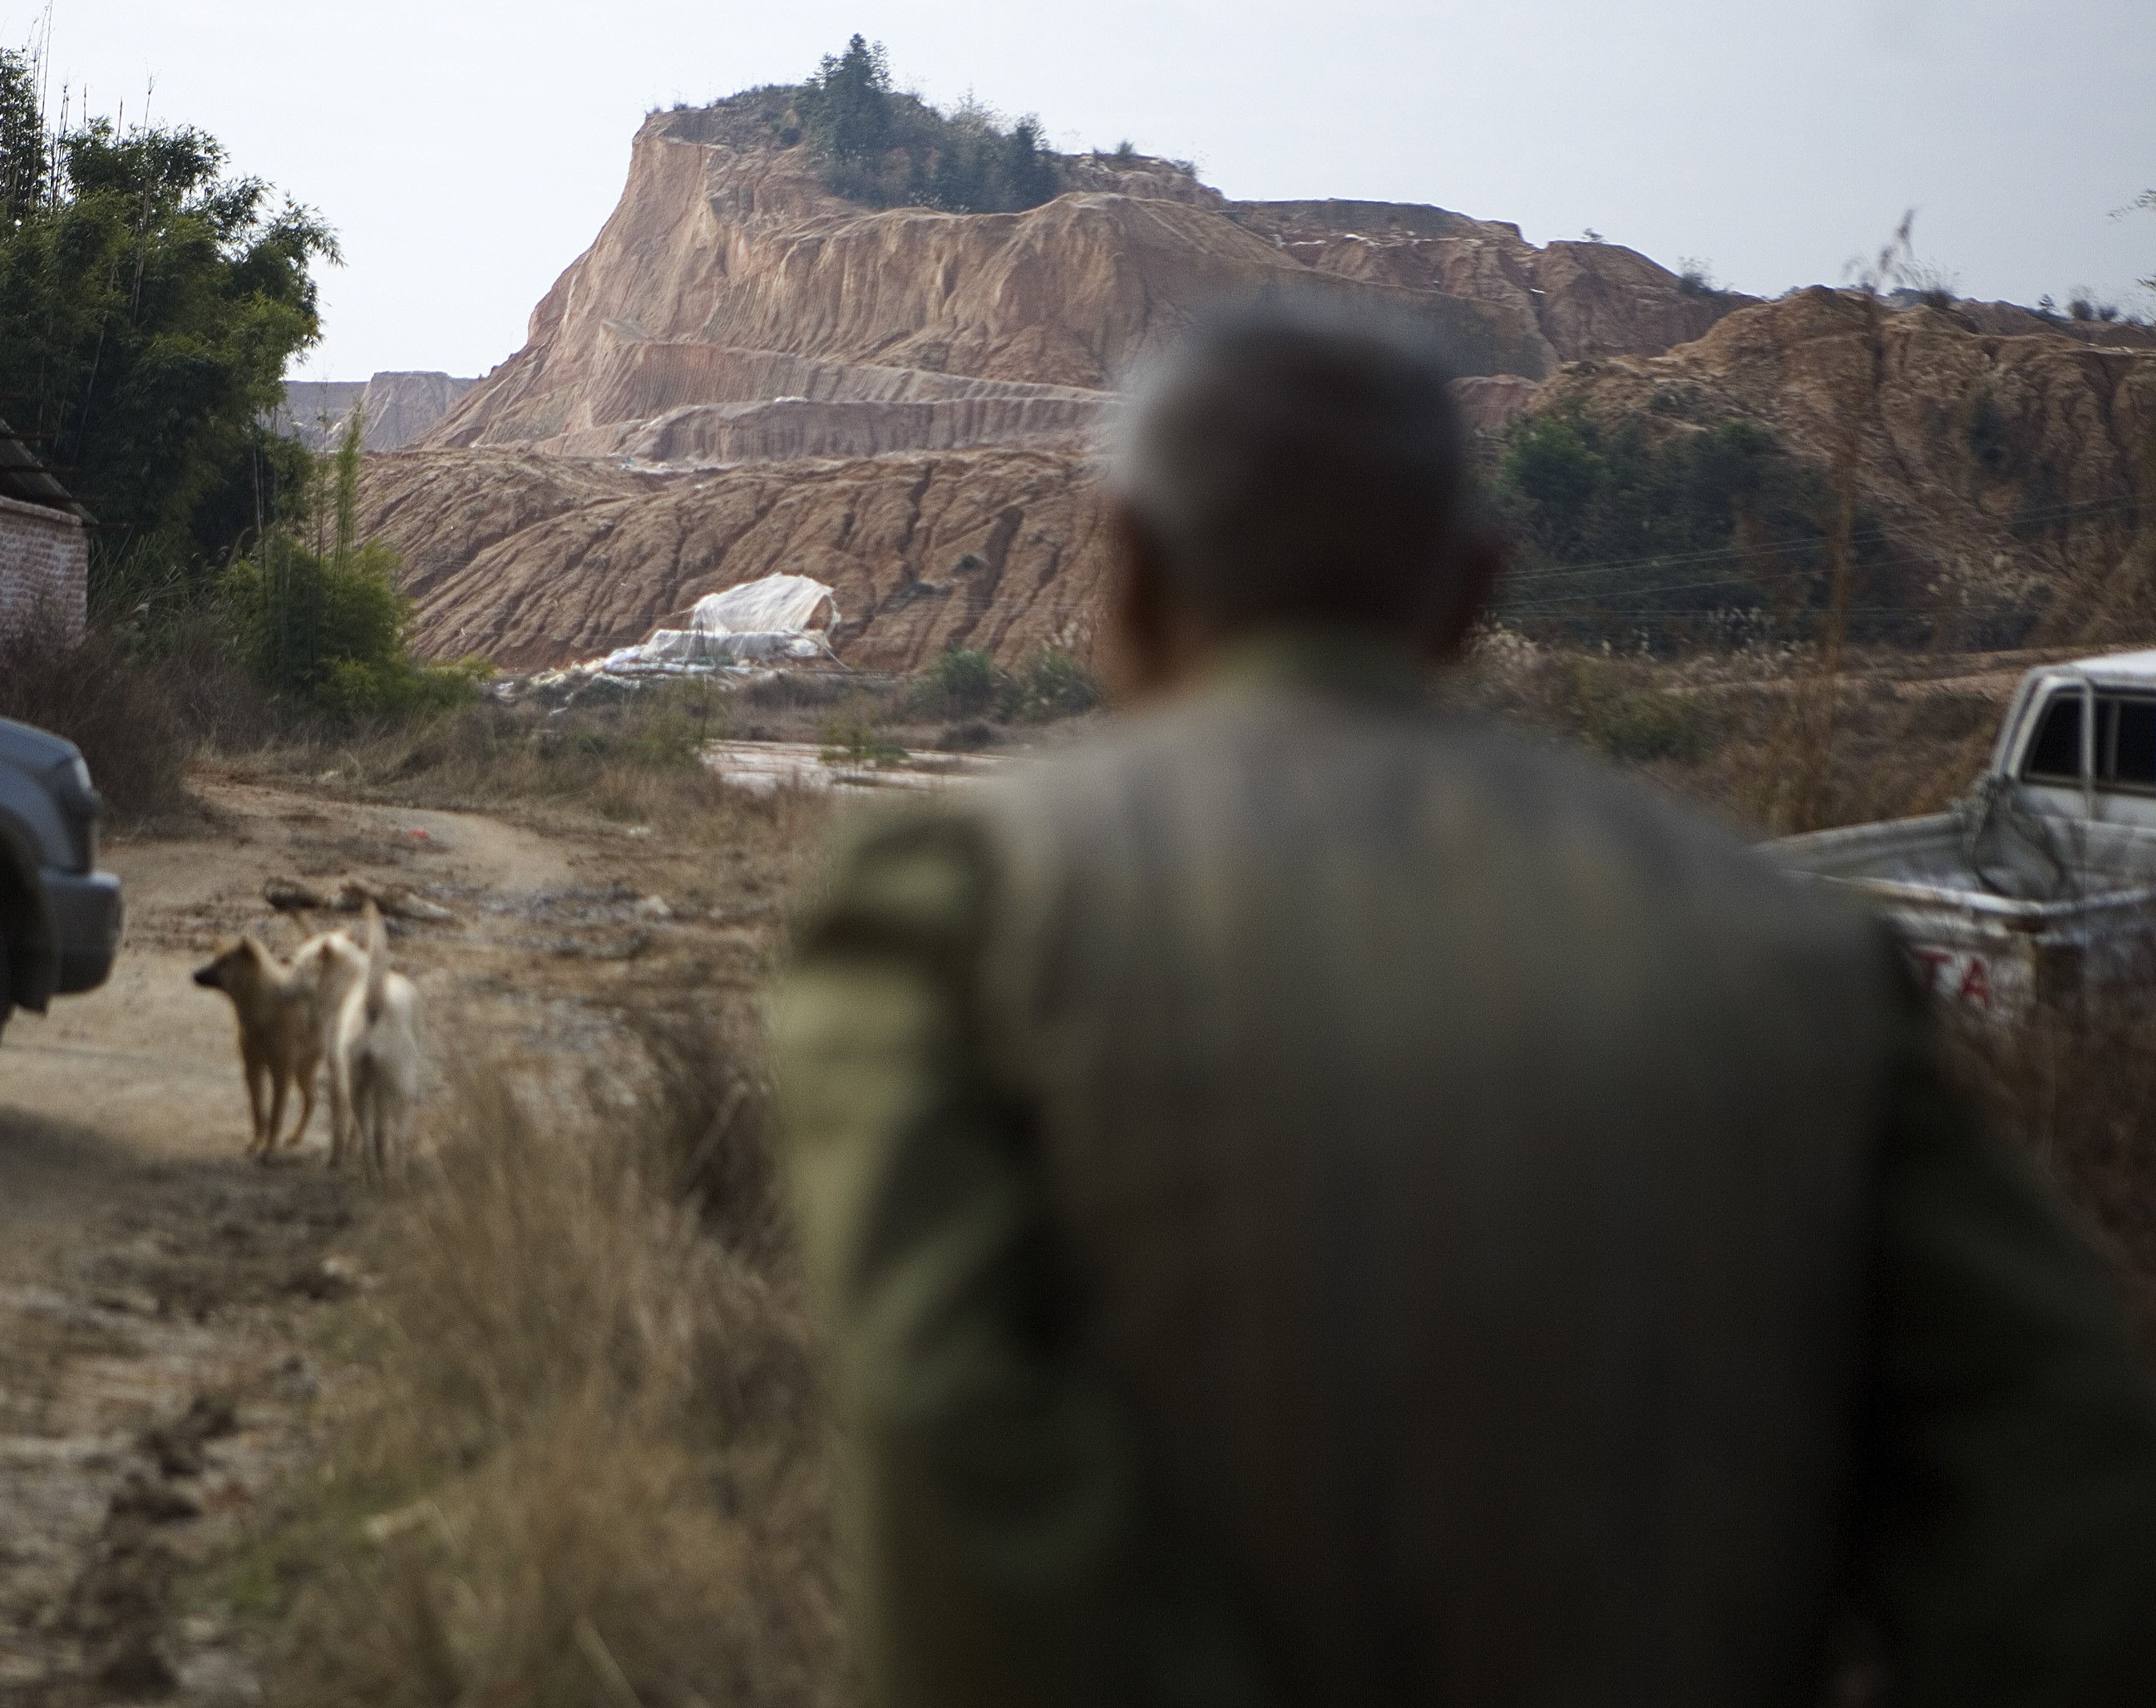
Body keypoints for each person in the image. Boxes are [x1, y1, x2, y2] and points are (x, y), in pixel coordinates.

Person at [767, 309, 2156, 1707]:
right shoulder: (1790, 952)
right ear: (1469, 589)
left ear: (1123, 569)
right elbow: (2063, 1478)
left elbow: (946, 1436)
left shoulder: (958, 908)